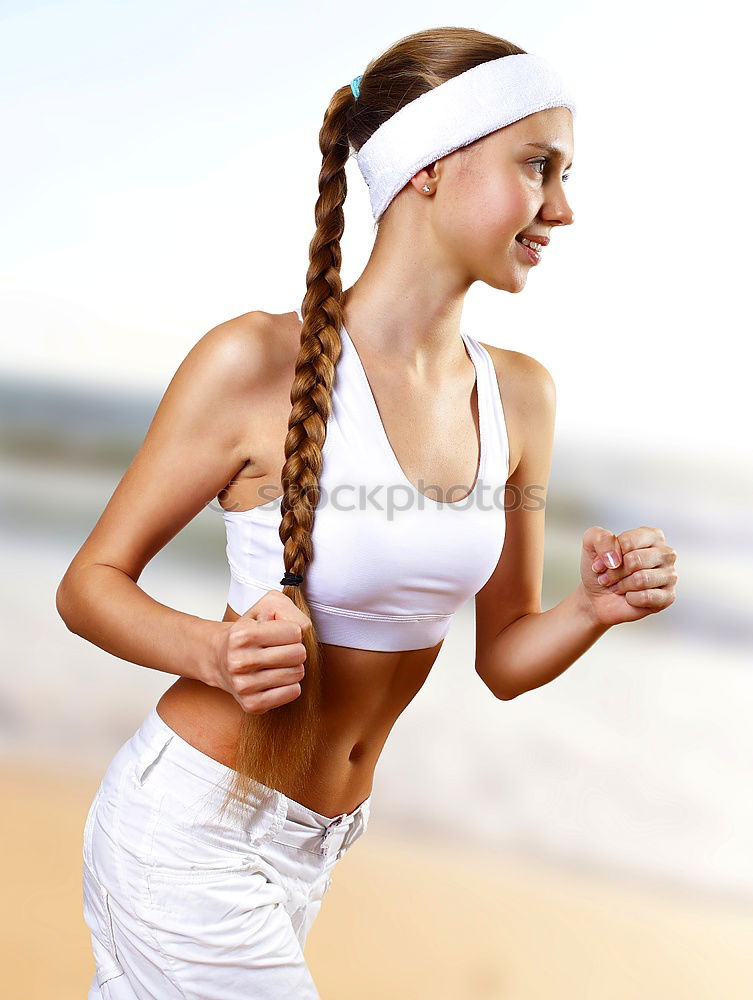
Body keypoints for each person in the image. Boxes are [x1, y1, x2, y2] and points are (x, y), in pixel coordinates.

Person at [56, 25, 678, 1000]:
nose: (561, 206)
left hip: (317, 847)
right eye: (537, 166)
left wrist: (593, 608)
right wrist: (212, 653)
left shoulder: (521, 396)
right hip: (189, 834)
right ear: (430, 166)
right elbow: (88, 586)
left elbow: (505, 654)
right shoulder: (252, 362)